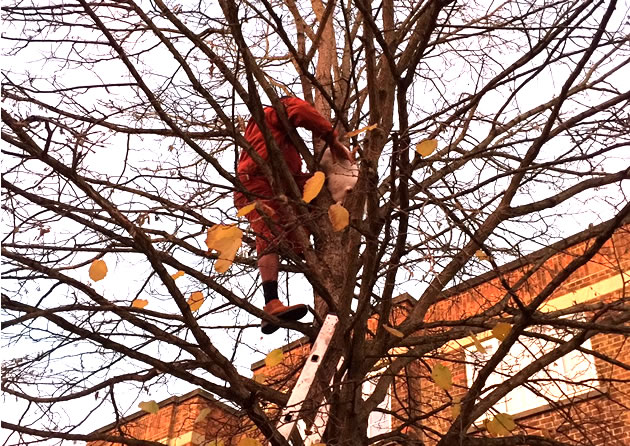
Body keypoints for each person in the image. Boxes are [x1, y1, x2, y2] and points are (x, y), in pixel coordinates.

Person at [234, 96, 353, 334]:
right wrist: (332, 139)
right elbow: (301, 111)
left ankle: (305, 264)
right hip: (258, 181)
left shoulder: (279, 140)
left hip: (280, 184)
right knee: (270, 237)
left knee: (305, 214)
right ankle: (271, 303)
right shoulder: (271, 113)